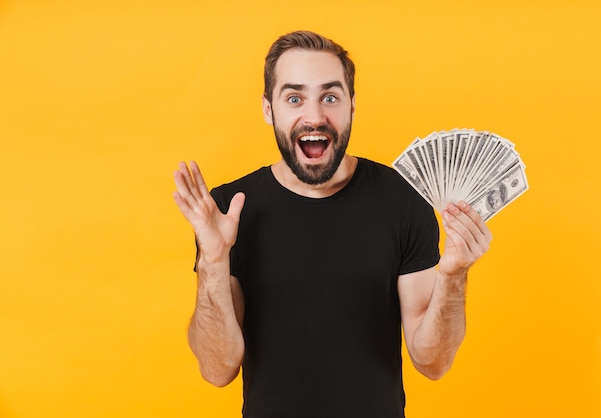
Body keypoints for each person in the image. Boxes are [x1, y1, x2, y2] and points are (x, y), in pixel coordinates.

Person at [173, 30, 492, 418]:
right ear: (268, 109)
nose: (314, 116)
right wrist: (213, 261)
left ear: (352, 106)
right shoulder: (228, 211)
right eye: (294, 98)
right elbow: (217, 369)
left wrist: (454, 274)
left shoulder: (404, 201)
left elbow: (433, 362)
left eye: (330, 97)